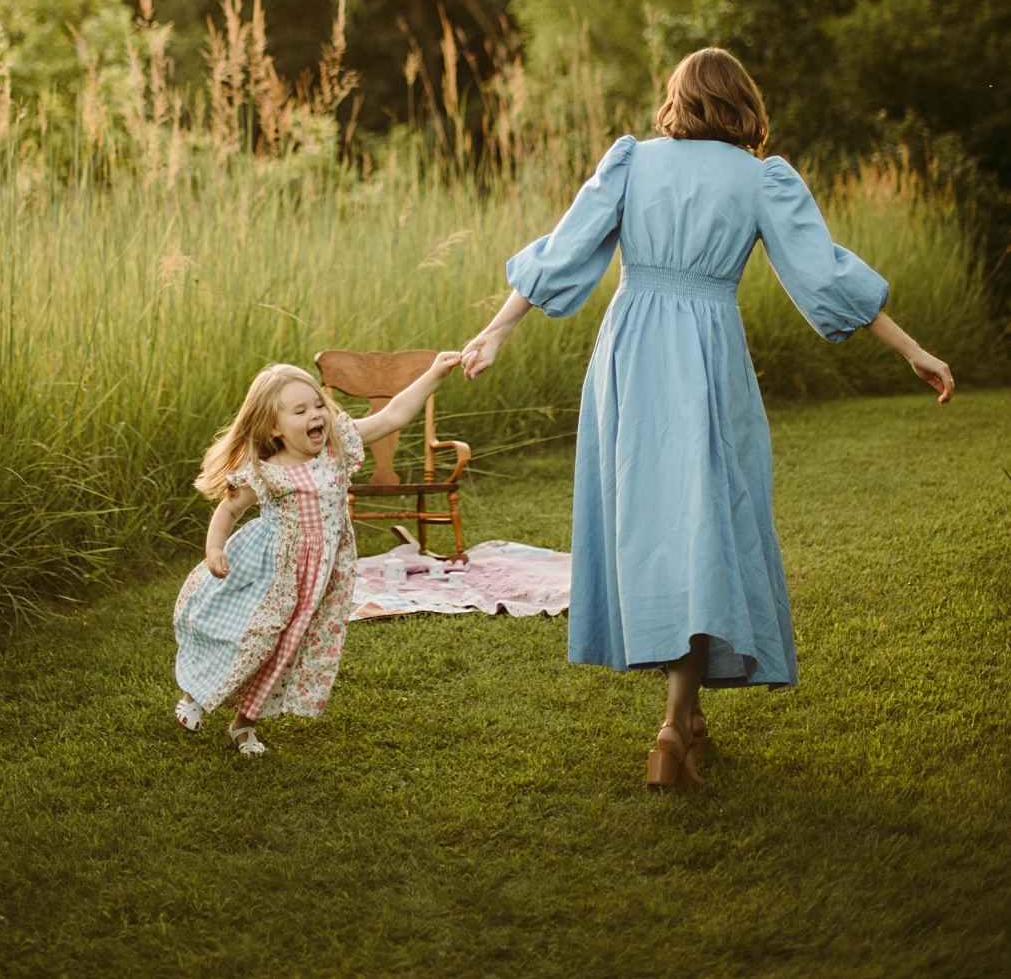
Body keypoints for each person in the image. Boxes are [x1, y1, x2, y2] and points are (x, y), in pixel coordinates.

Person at [461, 48, 953, 789]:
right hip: (706, 355)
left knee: (652, 521)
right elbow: (825, 272)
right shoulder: (761, 179)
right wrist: (912, 348)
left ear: (678, 100)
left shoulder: (630, 161)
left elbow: (563, 252)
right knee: (705, 525)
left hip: (629, 349)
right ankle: (672, 724)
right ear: (743, 104)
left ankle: (687, 720)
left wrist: (496, 330)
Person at [174, 352, 463, 754]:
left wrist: (434, 375)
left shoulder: (337, 449)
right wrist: (214, 548)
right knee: (251, 639)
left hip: (318, 579)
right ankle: (196, 696)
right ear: (274, 428)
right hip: (272, 576)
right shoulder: (267, 470)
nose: (316, 415)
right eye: (300, 410)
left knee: (289, 647)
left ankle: (244, 724)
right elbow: (229, 508)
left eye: (317, 405)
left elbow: (393, 415)